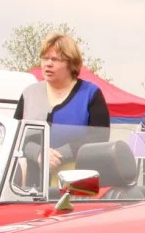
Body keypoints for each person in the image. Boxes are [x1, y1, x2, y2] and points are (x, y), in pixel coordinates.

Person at [14, 33, 110, 175]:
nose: (48, 64)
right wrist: (39, 154)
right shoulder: (29, 94)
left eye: (55, 59)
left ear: (71, 64)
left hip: (77, 182)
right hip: (31, 182)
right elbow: (16, 135)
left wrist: (60, 155)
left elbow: (100, 137)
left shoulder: (90, 94)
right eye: (45, 58)